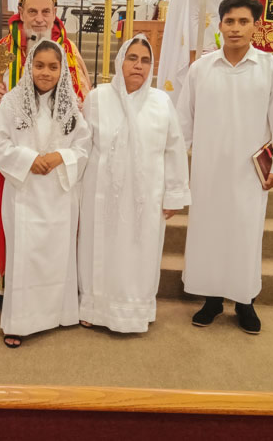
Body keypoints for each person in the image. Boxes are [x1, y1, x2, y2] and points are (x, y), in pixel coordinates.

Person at [0, 0, 90, 314]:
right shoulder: (4, 48)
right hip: (10, 160)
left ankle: (50, 289)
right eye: (33, 11)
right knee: (4, 225)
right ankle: (1, 285)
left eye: (46, 12)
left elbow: (83, 99)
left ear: (55, 13)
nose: (39, 18)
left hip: (53, 160)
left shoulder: (67, 51)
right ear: (21, 13)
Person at [176, 0, 273, 334]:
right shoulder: (201, 69)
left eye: (243, 21)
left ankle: (245, 302)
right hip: (209, 168)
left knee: (245, 234)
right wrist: (174, 163)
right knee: (209, 232)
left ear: (255, 26)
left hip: (248, 172)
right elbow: (183, 122)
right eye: (229, 21)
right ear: (219, 25)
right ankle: (212, 300)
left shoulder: (271, 69)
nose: (235, 28)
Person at [78, 35, 190, 333]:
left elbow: (174, 149)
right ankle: (93, 307)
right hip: (101, 193)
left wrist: (174, 194)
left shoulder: (161, 102)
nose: (138, 65)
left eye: (145, 60)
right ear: (120, 62)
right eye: (132, 58)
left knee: (139, 253)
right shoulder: (97, 98)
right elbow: (82, 146)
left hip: (145, 196)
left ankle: (135, 310)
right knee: (97, 249)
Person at [0, 40, 91, 348]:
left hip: (59, 194)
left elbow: (83, 146)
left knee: (56, 256)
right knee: (25, 256)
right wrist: (29, 159)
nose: (46, 72)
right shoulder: (12, 102)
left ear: (62, 70)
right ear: (30, 66)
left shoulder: (70, 106)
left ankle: (58, 314)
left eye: (53, 67)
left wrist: (59, 157)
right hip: (24, 192)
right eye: (40, 65)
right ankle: (19, 322)